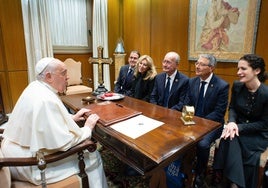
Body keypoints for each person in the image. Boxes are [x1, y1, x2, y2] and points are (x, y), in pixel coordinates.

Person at [1, 57, 108, 188]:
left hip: (15, 153)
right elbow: (64, 143)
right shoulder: (45, 100)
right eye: (63, 73)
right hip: (31, 165)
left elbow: (43, 123)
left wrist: (70, 118)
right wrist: (87, 128)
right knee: (92, 154)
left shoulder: (35, 87)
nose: (67, 77)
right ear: (48, 76)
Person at [213, 54, 268, 188]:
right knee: (230, 136)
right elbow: (232, 108)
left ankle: (228, 179)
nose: (238, 73)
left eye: (243, 69)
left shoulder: (266, 94)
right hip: (237, 128)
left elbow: (264, 124)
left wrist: (238, 127)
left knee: (229, 138)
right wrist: (231, 122)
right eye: (238, 69)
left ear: (257, 71)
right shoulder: (237, 86)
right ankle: (236, 183)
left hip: (257, 134)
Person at [183, 54, 229, 187]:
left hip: (212, 125)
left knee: (202, 144)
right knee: (178, 137)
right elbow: (187, 103)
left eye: (202, 64)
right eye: (197, 63)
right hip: (192, 120)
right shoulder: (192, 82)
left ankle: (200, 172)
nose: (197, 66)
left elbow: (219, 112)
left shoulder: (222, 86)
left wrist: (198, 123)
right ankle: (183, 167)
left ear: (211, 68)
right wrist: (187, 119)